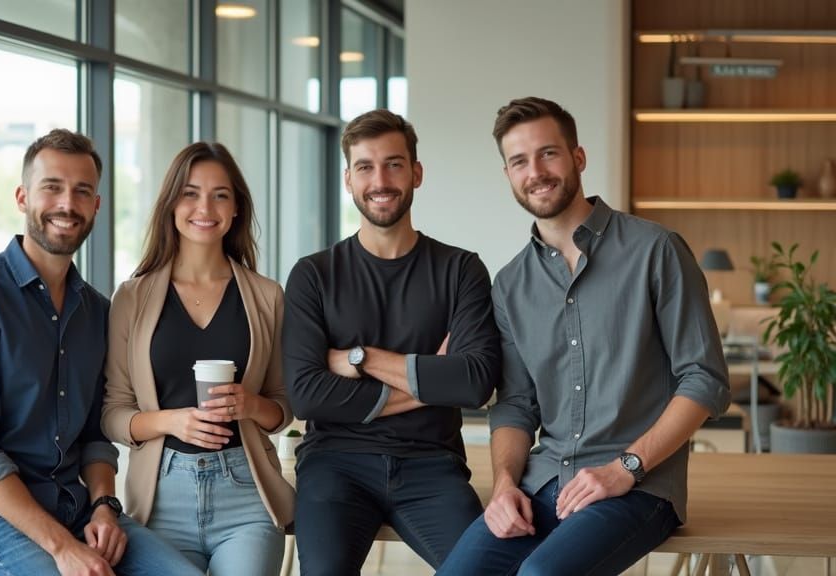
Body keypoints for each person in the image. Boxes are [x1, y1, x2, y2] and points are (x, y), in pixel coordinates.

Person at [438, 97, 731, 575]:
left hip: (639, 486)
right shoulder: (510, 285)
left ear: (578, 157)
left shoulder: (656, 250)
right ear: (508, 174)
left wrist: (625, 467)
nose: (536, 172)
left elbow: (704, 378)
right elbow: (516, 404)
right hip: (543, 482)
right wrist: (505, 485)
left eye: (548, 153)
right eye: (519, 161)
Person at [0, 129, 201, 576]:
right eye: (52, 187)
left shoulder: (96, 311)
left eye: (82, 191)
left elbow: (94, 435)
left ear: (97, 205)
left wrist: (105, 507)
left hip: (78, 512)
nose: (67, 204)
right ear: (22, 197)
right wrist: (62, 547)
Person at [283, 109, 501, 574]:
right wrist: (428, 381)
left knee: (484, 569)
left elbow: (473, 382)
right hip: (334, 464)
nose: (380, 181)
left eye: (394, 164)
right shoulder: (313, 275)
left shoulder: (461, 270)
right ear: (348, 179)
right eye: (365, 167)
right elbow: (306, 394)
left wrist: (360, 358)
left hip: (432, 465)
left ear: (416, 173)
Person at [101, 142, 294, 576]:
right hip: (161, 500)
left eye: (219, 195)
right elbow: (113, 414)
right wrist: (172, 421)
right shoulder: (131, 298)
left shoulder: (267, 297)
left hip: (245, 496)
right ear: (171, 204)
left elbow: (283, 408)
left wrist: (250, 405)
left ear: (236, 208)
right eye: (190, 193)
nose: (204, 207)